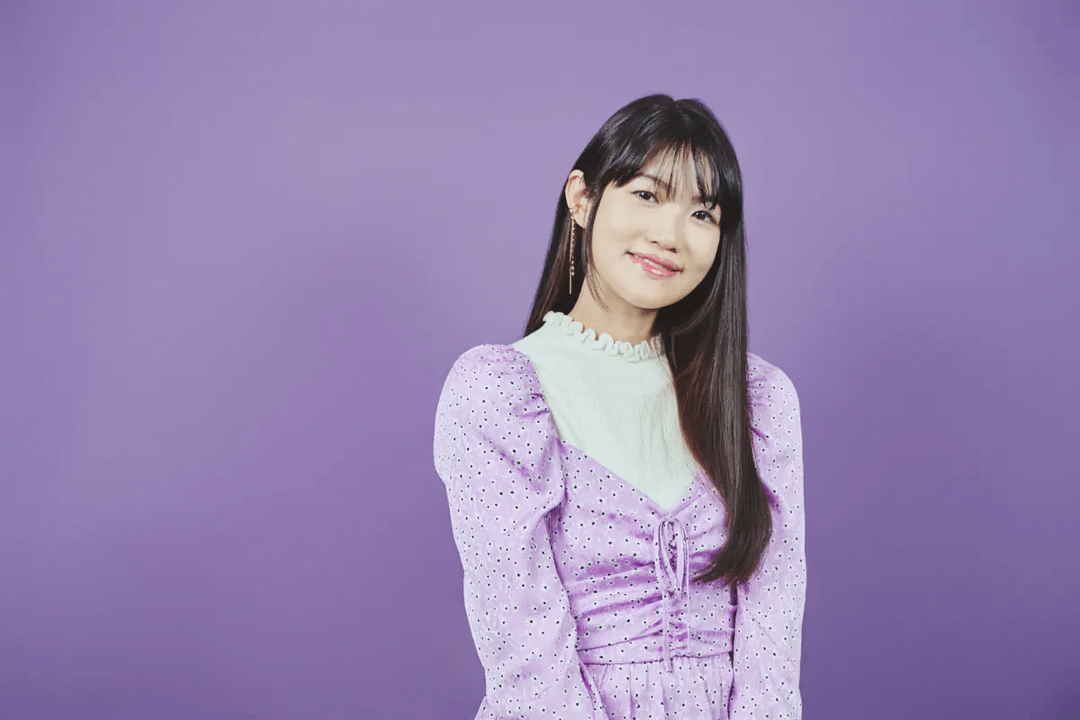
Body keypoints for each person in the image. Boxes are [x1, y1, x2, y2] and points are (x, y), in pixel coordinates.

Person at [433, 94, 806, 720]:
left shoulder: (757, 399)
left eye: (703, 213)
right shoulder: (497, 393)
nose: (670, 235)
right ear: (582, 198)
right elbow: (526, 655)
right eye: (647, 195)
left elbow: (773, 633)